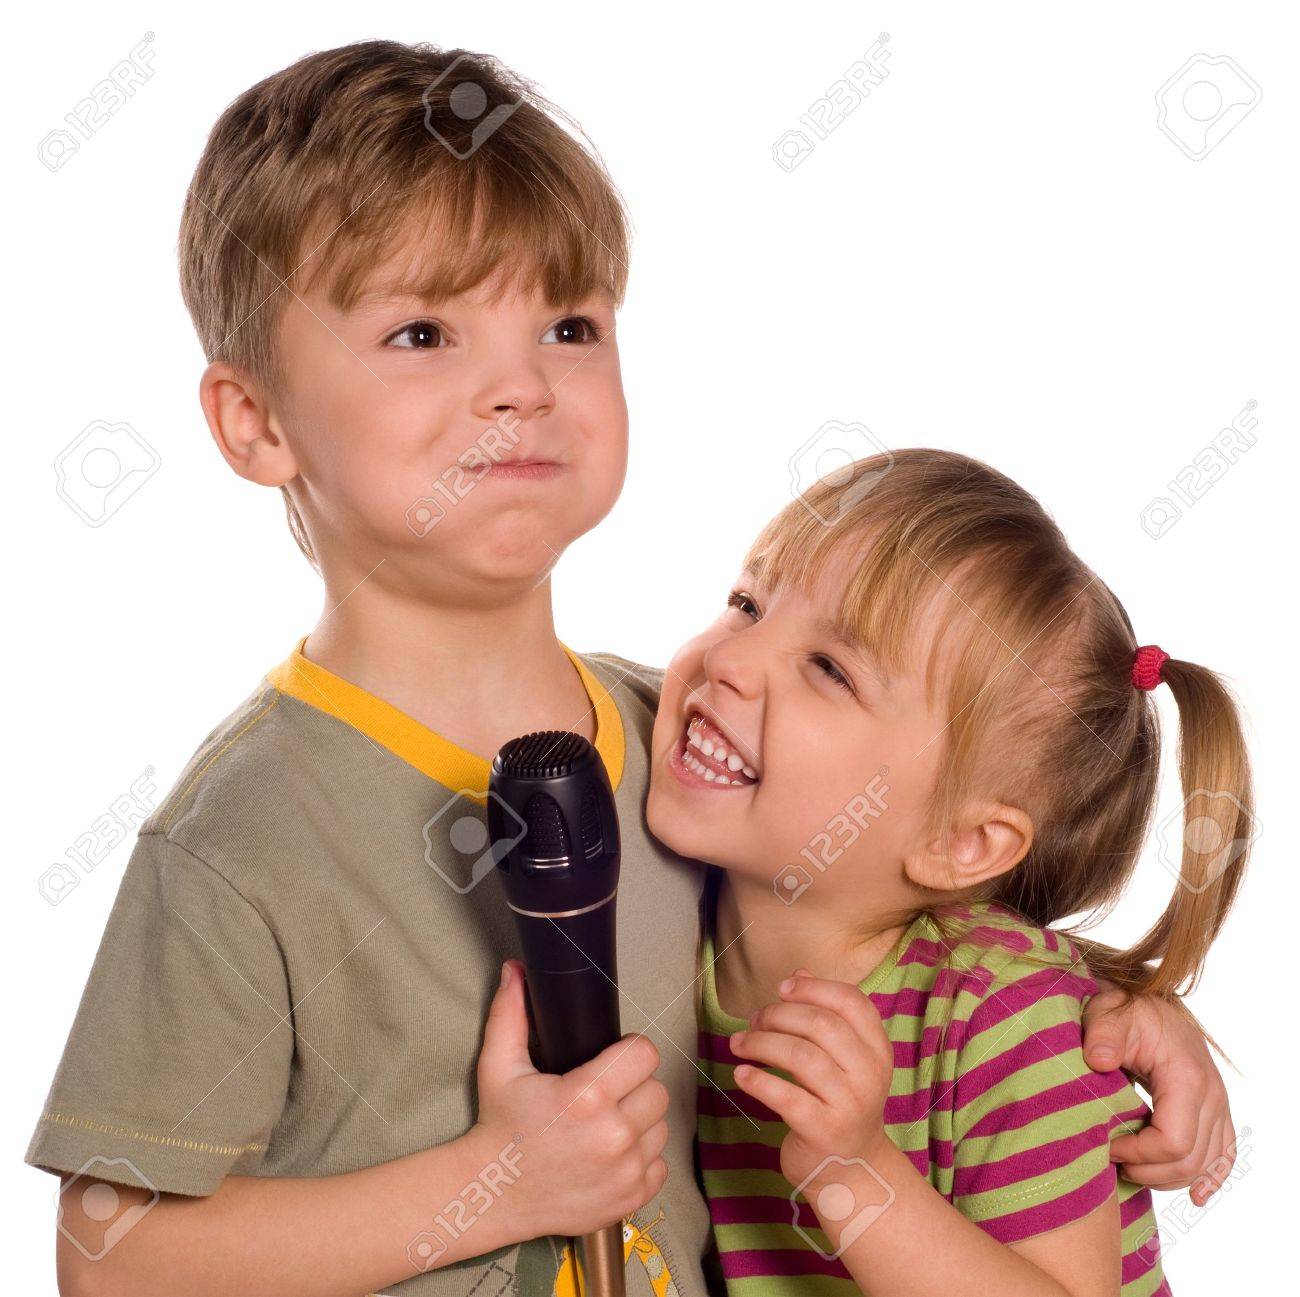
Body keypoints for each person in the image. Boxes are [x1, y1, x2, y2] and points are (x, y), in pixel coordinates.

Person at [26, 41, 1234, 1297]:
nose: (520, 387)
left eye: (567, 323)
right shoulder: (242, 840)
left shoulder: (682, 745)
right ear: (256, 423)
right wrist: (493, 1181)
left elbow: (904, 903)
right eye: (423, 330)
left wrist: (1128, 1020)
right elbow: (112, 1260)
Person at [645, 448, 1252, 1296]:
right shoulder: (664, 906)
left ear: (961, 844)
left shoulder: (1003, 1020)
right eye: (747, 603)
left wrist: (857, 1171)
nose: (728, 660)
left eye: (830, 668)